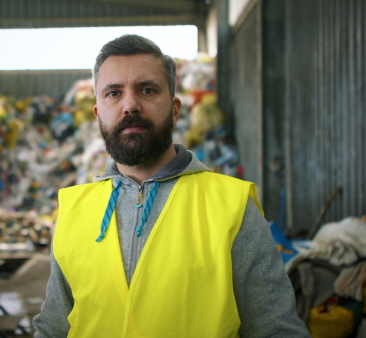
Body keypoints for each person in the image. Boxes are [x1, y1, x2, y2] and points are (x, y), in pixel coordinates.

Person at [32, 34, 310, 337]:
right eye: (113, 93)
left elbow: (276, 330)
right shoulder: (74, 211)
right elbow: (53, 327)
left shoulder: (231, 205)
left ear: (175, 110)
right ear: (98, 114)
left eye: (147, 90)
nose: (130, 105)